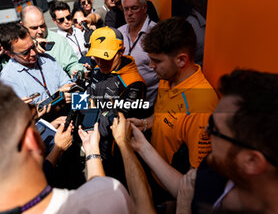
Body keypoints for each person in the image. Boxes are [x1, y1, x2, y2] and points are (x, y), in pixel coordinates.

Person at [0, 74, 135, 214]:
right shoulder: (107, 195)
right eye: (33, 123)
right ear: (32, 139)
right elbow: (107, 192)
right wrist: (95, 151)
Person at [130, 69, 278, 214]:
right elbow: (187, 189)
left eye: (215, 130)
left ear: (252, 161)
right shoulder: (219, 168)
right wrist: (142, 146)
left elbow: (187, 197)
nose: (207, 130)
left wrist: (183, 209)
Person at [130, 17, 218, 174]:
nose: (151, 66)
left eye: (156, 61)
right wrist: (145, 123)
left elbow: (196, 176)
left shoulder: (201, 106)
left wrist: (177, 198)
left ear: (181, 60)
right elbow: (163, 115)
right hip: (153, 173)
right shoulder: (167, 78)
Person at [86, 26, 146, 181]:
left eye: (107, 57)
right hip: (93, 143)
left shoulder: (134, 83)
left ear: (122, 51)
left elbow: (116, 121)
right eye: (97, 57)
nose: (101, 63)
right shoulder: (97, 68)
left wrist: (91, 120)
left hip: (117, 153)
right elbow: (89, 98)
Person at [0, 22, 72, 105]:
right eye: (25, 53)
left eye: (33, 46)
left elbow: (67, 83)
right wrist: (57, 96)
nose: (33, 53)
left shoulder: (47, 59)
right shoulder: (8, 79)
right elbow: (26, 113)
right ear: (10, 54)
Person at [118, 0, 159, 107]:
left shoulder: (157, 33)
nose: (129, 13)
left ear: (144, 8)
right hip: (124, 104)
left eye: (134, 8)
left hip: (150, 104)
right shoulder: (119, 33)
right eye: (126, 9)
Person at [20, 5, 84, 77]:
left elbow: (72, 64)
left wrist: (76, 71)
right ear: (22, 25)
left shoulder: (59, 40)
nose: (40, 31)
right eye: (34, 28)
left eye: (42, 26)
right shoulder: (17, 45)